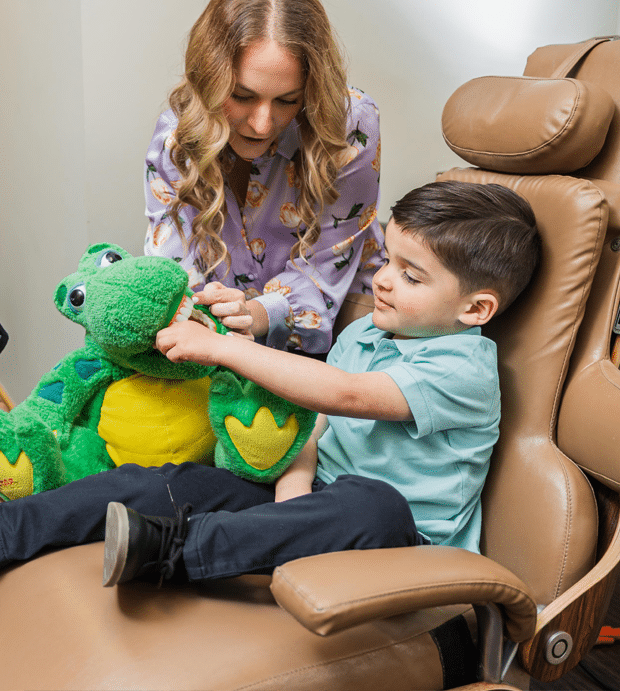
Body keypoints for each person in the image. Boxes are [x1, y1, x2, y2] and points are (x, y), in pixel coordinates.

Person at [0, 180, 540, 583]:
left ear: (477, 308)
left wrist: (227, 349)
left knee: (375, 503)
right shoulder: (368, 333)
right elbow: (313, 417)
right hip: (310, 500)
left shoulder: (465, 368)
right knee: (166, 480)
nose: (382, 279)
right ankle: (13, 529)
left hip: (402, 541)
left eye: (411, 275)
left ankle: (170, 551)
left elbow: (347, 397)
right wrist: (291, 488)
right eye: (387, 259)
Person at [144, 0, 384, 357]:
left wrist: (257, 314)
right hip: (218, 344)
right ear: (210, 77)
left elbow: (328, 265)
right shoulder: (177, 135)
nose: (261, 123)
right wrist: (210, 320)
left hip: (345, 337)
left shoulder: (351, 124)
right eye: (241, 96)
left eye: (288, 100)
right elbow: (172, 273)